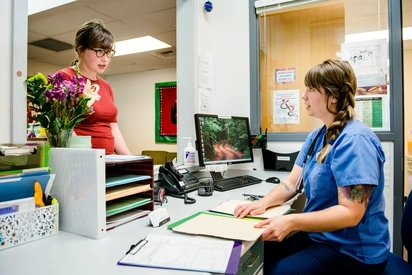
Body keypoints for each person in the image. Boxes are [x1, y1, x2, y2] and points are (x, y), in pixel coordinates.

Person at [234, 59, 390, 274]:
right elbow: (292, 183)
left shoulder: (356, 141)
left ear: (333, 96)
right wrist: (263, 203)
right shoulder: (318, 136)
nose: (303, 95)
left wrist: (291, 221)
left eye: (311, 89)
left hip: (352, 251)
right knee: (258, 254)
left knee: (276, 271)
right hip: (321, 237)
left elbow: (351, 213)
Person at [57, 20, 132, 155]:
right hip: (81, 162)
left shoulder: (106, 86)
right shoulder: (64, 78)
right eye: (99, 51)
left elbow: (113, 129)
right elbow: (64, 129)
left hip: (108, 161)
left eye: (109, 52)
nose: (105, 59)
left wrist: (133, 161)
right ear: (80, 49)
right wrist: (89, 160)